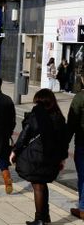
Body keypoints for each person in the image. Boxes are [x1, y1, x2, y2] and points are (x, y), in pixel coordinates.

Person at [10, 89, 68, 225]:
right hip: (52, 157)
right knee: (42, 185)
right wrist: (63, 158)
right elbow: (63, 141)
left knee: (37, 187)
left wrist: (15, 151)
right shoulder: (59, 117)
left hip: (36, 157)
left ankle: (39, 220)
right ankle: (45, 216)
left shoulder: (36, 115)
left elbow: (25, 135)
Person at [67, 73, 84, 220]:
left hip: (83, 143)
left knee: (83, 177)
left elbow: (71, 123)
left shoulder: (79, 98)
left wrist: (64, 144)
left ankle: (83, 208)